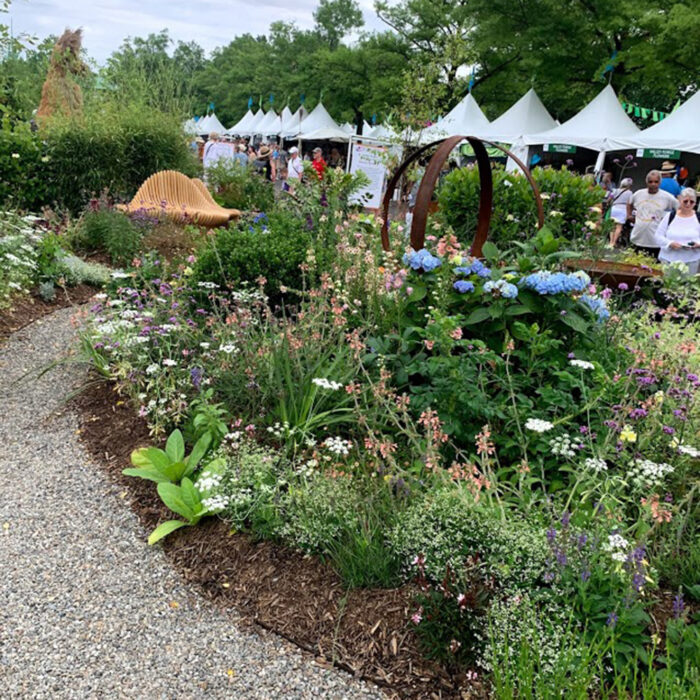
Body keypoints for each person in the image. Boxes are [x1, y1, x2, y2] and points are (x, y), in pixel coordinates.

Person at [627, 169, 679, 258]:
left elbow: (679, 207)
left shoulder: (666, 197)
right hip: (637, 238)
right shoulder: (639, 194)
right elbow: (629, 202)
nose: (653, 184)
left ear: (660, 182)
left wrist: (672, 223)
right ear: (646, 182)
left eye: (656, 182)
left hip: (655, 241)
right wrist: (629, 215)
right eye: (650, 182)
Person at [654, 188, 700, 274]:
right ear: (679, 200)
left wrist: (698, 244)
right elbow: (658, 236)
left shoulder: (698, 218)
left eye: (692, 202)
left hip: (691, 261)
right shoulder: (670, 216)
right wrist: (670, 243)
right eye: (685, 201)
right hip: (668, 260)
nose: (688, 204)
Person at [608, 177, 634, 247]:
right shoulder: (630, 193)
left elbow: (609, 198)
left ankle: (610, 241)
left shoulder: (615, 190)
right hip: (623, 209)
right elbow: (631, 202)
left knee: (612, 226)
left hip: (614, 208)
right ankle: (614, 242)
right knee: (619, 227)